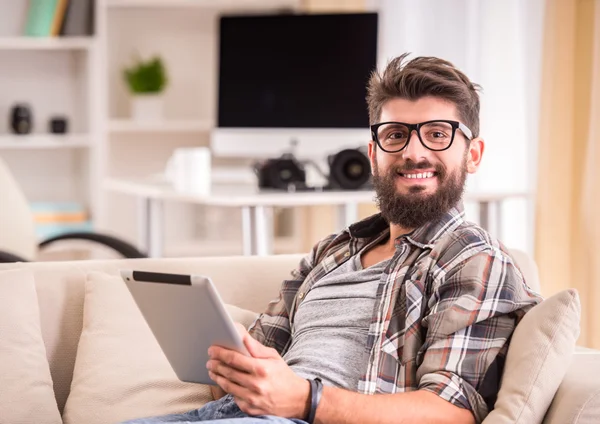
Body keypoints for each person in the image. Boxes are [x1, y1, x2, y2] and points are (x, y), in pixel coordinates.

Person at [124, 53, 542, 424]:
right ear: (374, 152)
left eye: (437, 134)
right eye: (395, 134)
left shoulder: (475, 261)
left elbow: (450, 412)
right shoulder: (332, 252)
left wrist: (304, 400)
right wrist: (230, 364)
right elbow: (240, 383)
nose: (414, 152)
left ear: (473, 154)